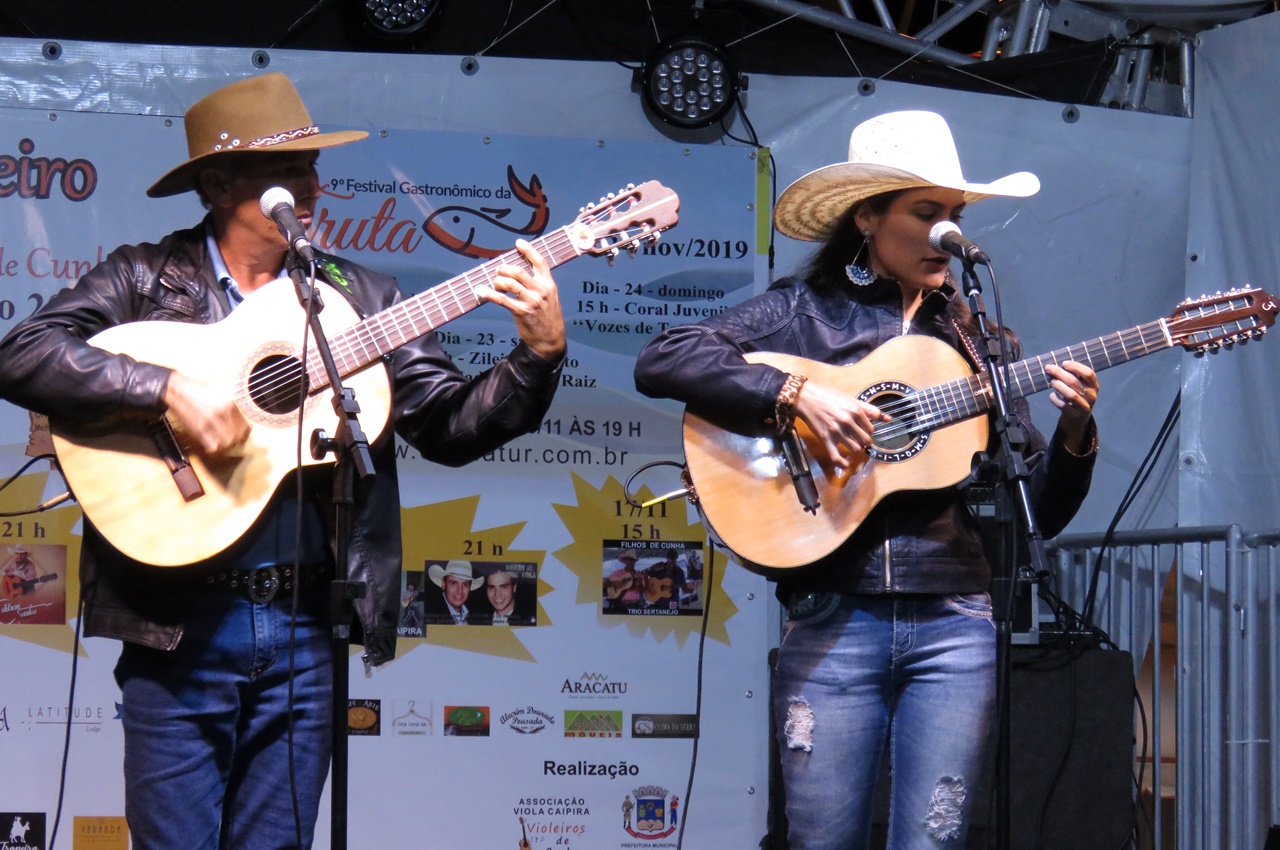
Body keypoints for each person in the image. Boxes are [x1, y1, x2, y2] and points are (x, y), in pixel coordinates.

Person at [0, 72, 565, 850]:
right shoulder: (144, 277)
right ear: (219, 185)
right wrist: (162, 387)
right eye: (286, 169)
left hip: (307, 625)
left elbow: (449, 427)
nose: (310, 186)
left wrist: (537, 356)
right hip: (181, 623)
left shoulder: (357, 297)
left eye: (311, 167)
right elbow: (23, 353)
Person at [634, 110, 1099, 849]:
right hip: (833, 615)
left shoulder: (977, 342)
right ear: (867, 217)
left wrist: (1075, 434)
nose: (947, 231)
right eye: (926, 212)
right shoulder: (801, 311)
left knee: (936, 840)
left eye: (956, 215)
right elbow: (665, 357)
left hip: (955, 621)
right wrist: (794, 394)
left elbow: (1039, 512)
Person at [424, 559, 486, 625]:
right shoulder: (430, 614)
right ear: (444, 584)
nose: (460, 591)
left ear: (470, 587)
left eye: (465, 584)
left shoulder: (476, 615)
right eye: (454, 583)